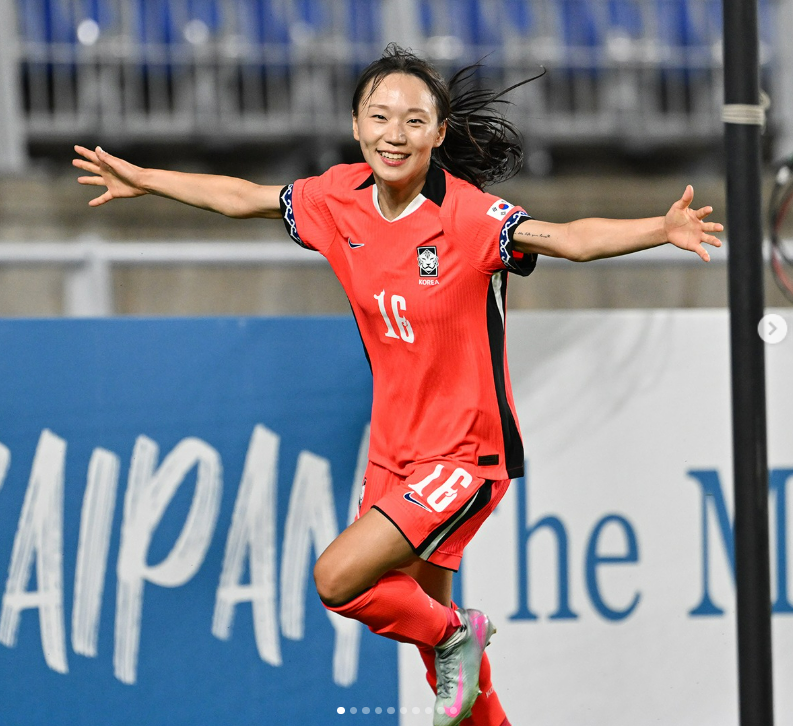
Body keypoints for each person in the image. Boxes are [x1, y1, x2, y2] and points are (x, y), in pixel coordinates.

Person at [73, 44, 723, 726]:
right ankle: (459, 654)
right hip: (394, 453)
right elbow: (244, 198)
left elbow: (569, 239)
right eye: (379, 116)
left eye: (413, 120)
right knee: (442, 661)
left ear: (438, 134)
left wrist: (660, 228)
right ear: (355, 125)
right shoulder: (337, 198)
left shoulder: (469, 217)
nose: (394, 133)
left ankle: (458, 631)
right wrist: (146, 179)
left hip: (465, 454)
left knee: (340, 580)